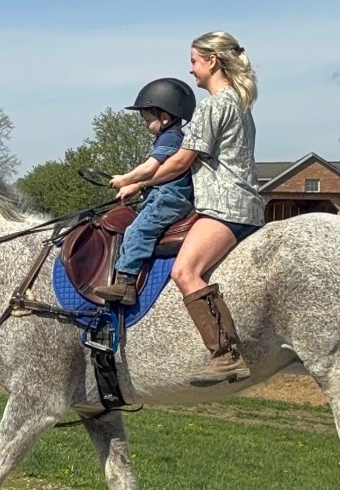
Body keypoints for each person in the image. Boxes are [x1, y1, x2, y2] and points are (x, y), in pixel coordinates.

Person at [111, 33, 264, 381]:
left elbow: (181, 162)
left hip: (225, 207)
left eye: (194, 61)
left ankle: (225, 355)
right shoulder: (240, 104)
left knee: (185, 272)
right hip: (247, 205)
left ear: (212, 61)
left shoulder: (213, 106)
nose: (191, 69)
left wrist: (136, 182)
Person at [90, 77, 197, 306]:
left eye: (148, 120)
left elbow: (149, 168)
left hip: (167, 198)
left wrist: (125, 178)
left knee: (137, 230)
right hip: (163, 195)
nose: (145, 125)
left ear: (165, 117)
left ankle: (126, 283)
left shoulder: (170, 137)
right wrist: (133, 186)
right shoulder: (171, 137)